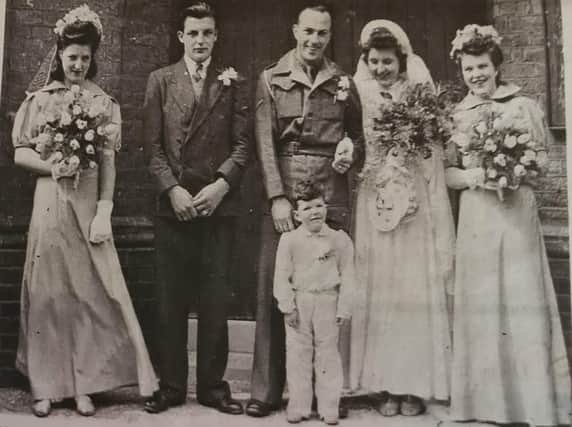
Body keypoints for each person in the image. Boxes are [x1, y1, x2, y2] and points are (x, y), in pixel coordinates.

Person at [11, 4, 158, 417]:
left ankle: (83, 385)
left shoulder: (104, 104)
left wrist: (105, 211)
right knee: (48, 292)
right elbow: (20, 153)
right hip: (50, 202)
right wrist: (52, 165)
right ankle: (45, 386)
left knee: (90, 293)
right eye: (71, 57)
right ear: (59, 56)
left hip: (88, 202)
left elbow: (109, 162)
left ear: (94, 60)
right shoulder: (39, 101)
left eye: (85, 58)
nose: (77, 64)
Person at [446, 24, 571, 426]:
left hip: (515, 211)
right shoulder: (456, 114)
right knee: (482, 302)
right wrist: (475, 178)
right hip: (477, 215)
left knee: (520, 298)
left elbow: (542, 163)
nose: (476, 75)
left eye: (482, 66)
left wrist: (515, 170)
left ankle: (531, 405)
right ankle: (486, 405)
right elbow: (447, 173)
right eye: (468, 69)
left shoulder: (522, 106)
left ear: (495, 65)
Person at [247, 2, 363, 418]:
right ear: (296, 31)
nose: (315, 40)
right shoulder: (270, 79)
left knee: (328, 296)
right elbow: (263, 144)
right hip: (287, 190)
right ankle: (265, 390)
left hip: (330, 194)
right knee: (275, 289)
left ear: (330, 36)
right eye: (308, 31)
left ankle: (327, 394)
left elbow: (357, 138)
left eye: (323, 33)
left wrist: (351, 152)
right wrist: (277, 197)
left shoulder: (343, 82)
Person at [142, 1, 250, 415]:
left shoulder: (234, 82)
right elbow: (151, 149)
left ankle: (212, 388)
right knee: (170, 301)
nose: (201, 40)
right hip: (174, 206)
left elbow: (243, 145)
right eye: (194, 33)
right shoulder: (161, 81)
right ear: (181, 37)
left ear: (216, 36)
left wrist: (221, 184)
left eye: (208, 33)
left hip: (216, 208)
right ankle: (170, 387)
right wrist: (172, 189)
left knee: (214, 300)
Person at [348, 20, 455, 416]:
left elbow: (431, 153)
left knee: (410, 292)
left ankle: (413, 385)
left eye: (387, 61)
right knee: (380, 292)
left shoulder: (419, 95)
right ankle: (384, 385)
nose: (380, 68)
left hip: (412, 206)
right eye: (374, 61)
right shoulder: (357, 94)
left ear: (401, 61)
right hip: (374, 200)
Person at [274, 180, 355, 425]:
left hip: (328, 300)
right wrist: (287, 307)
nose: (315, 212)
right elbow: (281, 275)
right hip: (301, 301)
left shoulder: (339, 240)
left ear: (326, 208)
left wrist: (344, 307)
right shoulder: (289, 240)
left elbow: (349, 275)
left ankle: (329, 406)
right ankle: (298, 405)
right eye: (307, 208)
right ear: (297, 215)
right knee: (298, 354)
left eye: (319, 206)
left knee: (328, 354)